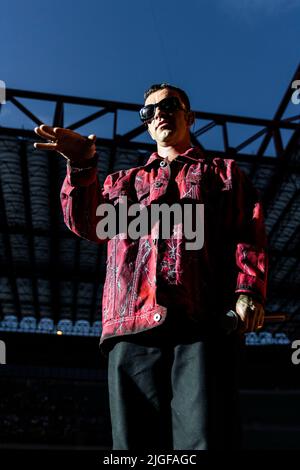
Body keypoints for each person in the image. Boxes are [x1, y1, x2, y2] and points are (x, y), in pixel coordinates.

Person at [34, 83, 268, 451]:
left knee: (202, 441)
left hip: (200, 324)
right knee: (134, 449)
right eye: (149, 111)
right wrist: (80, 166)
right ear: (146, 124)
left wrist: (248, 290)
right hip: (130, 327)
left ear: (189, 117)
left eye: (169, 105)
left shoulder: (223, 174)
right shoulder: (121, 184)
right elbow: (88, 224)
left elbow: (247, 233)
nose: (159, 113)